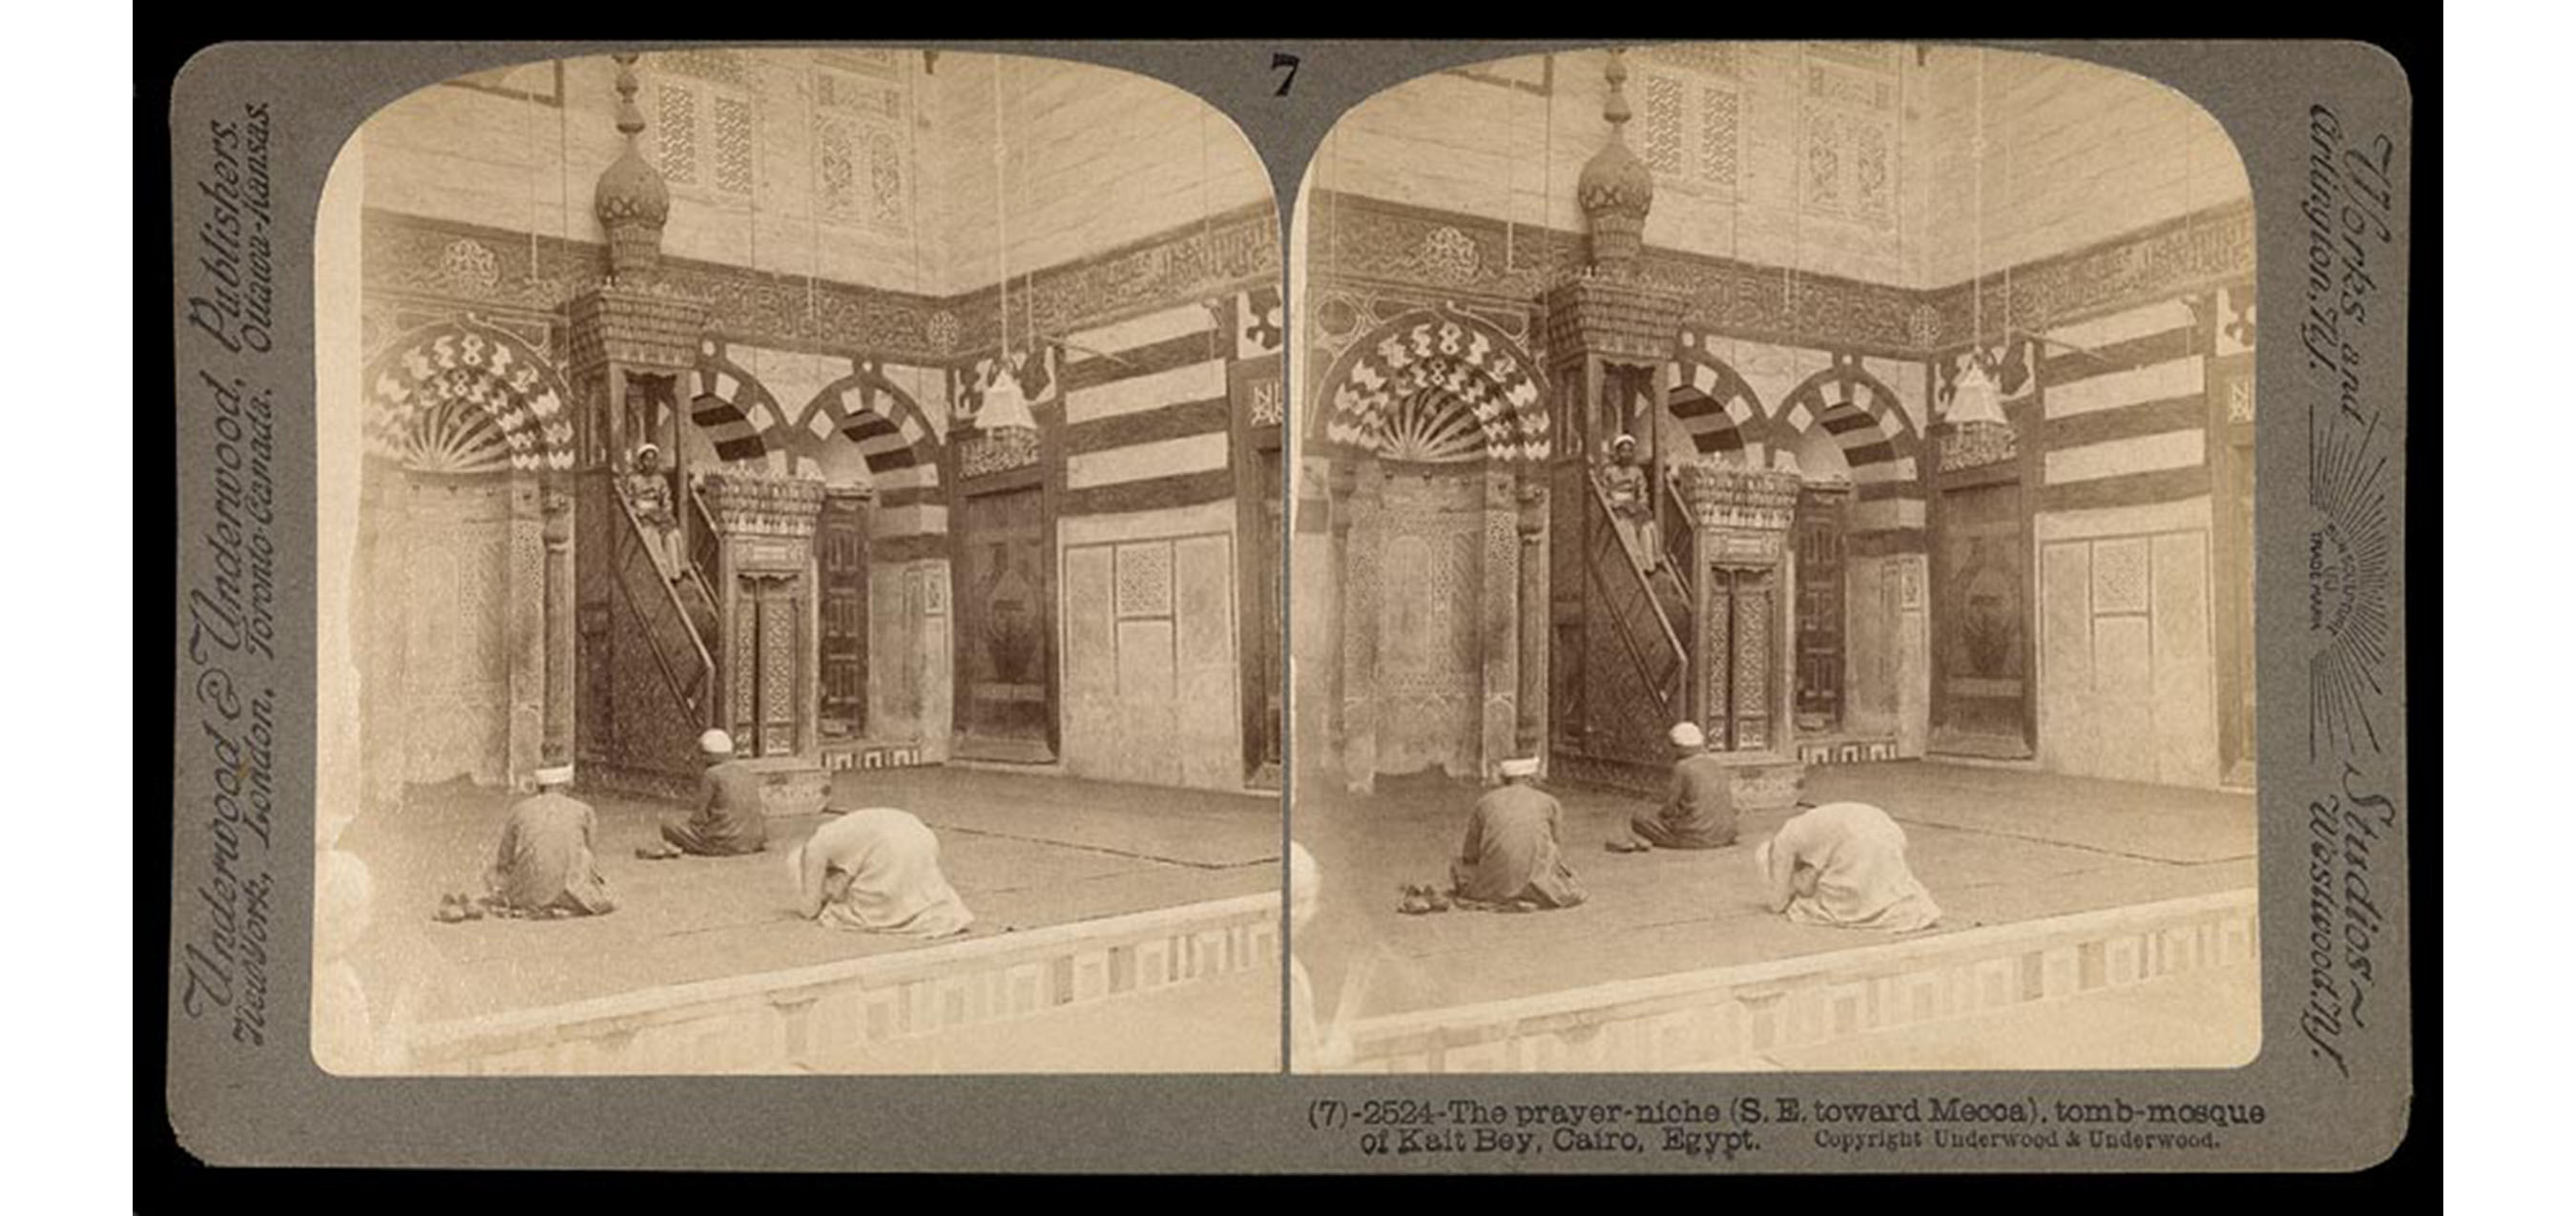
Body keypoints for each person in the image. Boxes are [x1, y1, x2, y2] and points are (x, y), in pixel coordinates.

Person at [1754, 801, 1942, 932]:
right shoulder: (1801, 827)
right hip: (1885, 826)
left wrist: (1787, 892)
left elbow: (1778, 903)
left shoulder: (1782, 843)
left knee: (1831, 906)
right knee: (1884, 883)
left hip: (1858, 838)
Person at [788, 806, 974, 937]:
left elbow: (809, 910)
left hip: (892, 844)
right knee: (916, 889)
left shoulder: (814, 849)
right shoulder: (837, 834)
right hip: (920, 833)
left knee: (853, 913)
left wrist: (815, 898)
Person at [1448, 756, 1587, 910]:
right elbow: (1556, 843)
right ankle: (1532, 891)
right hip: (1538, 885)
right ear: (1530, 778)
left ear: (1504, 779)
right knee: (1563, 873)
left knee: (1458, 866)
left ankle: (1503, 890)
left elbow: (1470, 854)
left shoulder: (1485, 801)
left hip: (1493, 885)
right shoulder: (1549, 801)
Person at [479, 764, 616, 917]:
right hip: (574, 896)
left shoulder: (519, 809)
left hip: (528, 895)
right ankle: (567, 894)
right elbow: (592, 859)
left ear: (539, 785)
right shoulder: (584, 810)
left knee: (490, 875)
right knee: (583, 858)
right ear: (567, 784)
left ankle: (538, 892)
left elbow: (504, 861)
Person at [1287, 841, 1378, 1071]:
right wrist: (1337, 1047)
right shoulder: (1292, 977)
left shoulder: (1290, 969)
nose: (1297, 913)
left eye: (1304, 901)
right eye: (1297, 900)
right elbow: (1306, 1065)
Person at [1613, 721, 1739, 853]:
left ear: (1678, 747)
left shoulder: (1682, 767)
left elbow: (1668, 809)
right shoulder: (1715, 764)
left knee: (1639, 819)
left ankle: (1641, 839)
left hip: (1697, 836)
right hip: (1726, 834)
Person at [640, 729, 767, 859]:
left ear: (708, 755)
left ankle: (679, 846)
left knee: (669, 824)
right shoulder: (746, 771)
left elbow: (698, 818)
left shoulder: (712, 774)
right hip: (754, 840)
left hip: (725, 842)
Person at [1596, 434, 1663, 572]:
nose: (1626, 454)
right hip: (1616, 507)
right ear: (1617, 452)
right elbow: (1603, 493)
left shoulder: (1636, 472)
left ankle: (1649, 564)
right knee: (1628, 527)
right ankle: (1636, 563)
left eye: (1629, 451)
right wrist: (1616, 504)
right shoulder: (1609, 471)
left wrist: (1639, 506)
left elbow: (1643, 493)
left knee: (1647, 525)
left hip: (1633, 505)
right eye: (1623, 451)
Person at [623, 443, 684, 578]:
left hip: (658, 514)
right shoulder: (633, 479)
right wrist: (640, 513)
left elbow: (666, 500)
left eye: (653, 459)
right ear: (641, 461)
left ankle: (674, 574)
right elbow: (628, 501)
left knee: (672, 535)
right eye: (647, 459)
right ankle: (660, 572)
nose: (650, 463)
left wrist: (665, 515)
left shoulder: (660, 480)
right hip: (642, 515)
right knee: (653, 536)